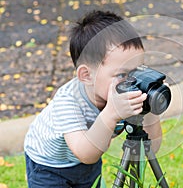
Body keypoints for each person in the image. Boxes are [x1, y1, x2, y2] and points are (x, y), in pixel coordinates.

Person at [24, 10, 162, 187]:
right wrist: (111, 114)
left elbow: (151, 148)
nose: (133, 81)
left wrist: (148, 104)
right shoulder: (68, 102)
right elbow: (85, 153)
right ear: (87, 75)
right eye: (122, 74)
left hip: (89, 158)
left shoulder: (122, 95)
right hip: (48, 165)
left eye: (139, 70)